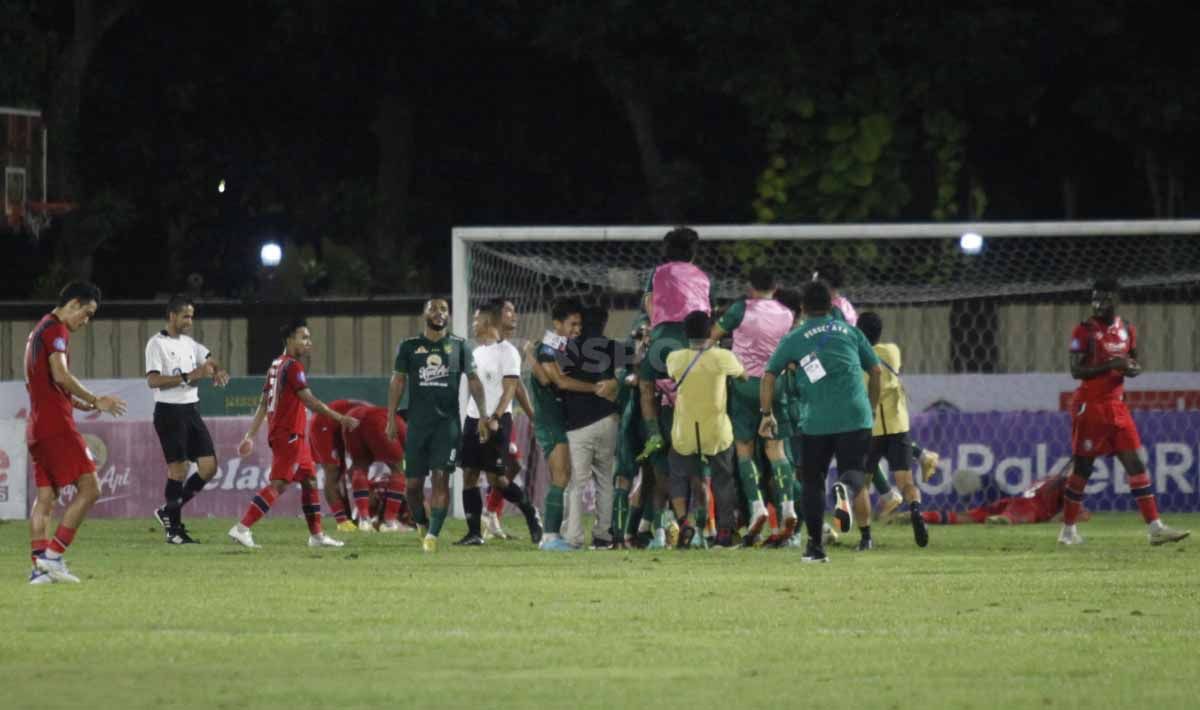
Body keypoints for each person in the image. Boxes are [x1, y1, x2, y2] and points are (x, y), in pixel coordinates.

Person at [1059, 279, 1189, 546]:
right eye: (1095, 298)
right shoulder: (1083, 331)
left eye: (1105, 298)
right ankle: (1068, 531)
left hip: (1118, 407)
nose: (1098, 303)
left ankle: (1155, 528)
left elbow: (1134, 360)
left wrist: (1132, 368)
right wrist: (1113, 365)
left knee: (1136, 464)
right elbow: (1076, 371)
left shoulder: (1127, 328)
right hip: (1091, 407)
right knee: (1083, 468)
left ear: (1116, 300)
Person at [761, 281, 881, 562]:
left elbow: (769, 375)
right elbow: (875, 371)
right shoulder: (851, 332)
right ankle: (845, 491)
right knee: (853, 472)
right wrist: (871, 409)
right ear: (831, 306)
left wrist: (767, 414)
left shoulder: (794, 338)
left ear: (802, 308)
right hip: (855, 415)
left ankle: (815, 547)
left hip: (815, 420)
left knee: (813, 481)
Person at [26, 282, 128, 584]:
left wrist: (79, 403)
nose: (86, 321)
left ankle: (38, 570)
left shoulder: (38, 330)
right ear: (73, 303)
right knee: (91, 488)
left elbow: (43, 382)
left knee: (46, 497)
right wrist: (96, 399)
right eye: (87, 313)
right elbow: (60, 374)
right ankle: (54, 558)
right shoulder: (56, 330)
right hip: (56, 425)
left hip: (36, 426)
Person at [228, 319, 358, 549]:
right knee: (279, 483)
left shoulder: (275, 365)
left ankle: (316, 536)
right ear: (289, 339)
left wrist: (250, 434)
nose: (308, 342)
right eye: (303, 337)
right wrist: (341, 418)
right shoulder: (293, 367)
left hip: (289, 433)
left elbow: (262, 403)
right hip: (290, 434)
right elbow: (309, 400)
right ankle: (242, 528)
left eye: (309, 337)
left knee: (309, 481)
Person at [387, 298, 486, 553]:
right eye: (433, 308)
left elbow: (474, 381)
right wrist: (390, 418)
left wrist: (484, 415)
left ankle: (432, 535)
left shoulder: (458, 347)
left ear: (448, 315)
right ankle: (421, 522)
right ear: (424, 314)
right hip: (418, 427)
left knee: (441, 480)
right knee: (412, 487)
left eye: (443, 309)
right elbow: (398, 382)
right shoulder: (410, 347)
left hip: (447, 426)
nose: (439, 313)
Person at [637, 227, 712, 548]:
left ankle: (653, 431)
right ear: (694, 253)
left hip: (664, 338)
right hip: (695, 343)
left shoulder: (657, 273)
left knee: (644, 384)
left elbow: (649, 304)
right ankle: (704, 527)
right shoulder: (704, 277)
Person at [709, 266, 794, 544]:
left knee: (744, 450)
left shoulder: (740, 309)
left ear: (750, 286)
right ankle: (787, 509)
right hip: (776, 384)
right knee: (776, 450)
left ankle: (756, 506)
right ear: (776, 286)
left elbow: (712, 335)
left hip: (745, 383)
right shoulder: (786, 313)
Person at [145, 294, 231, 544]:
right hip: (169, 411)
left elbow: (210, 362)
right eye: (185, 316)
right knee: (179, 470)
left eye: (191, 316)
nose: (189, 321)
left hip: (191, 410)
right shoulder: (156, 344)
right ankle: (174, 530)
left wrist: (218, 371)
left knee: (208, 467)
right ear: (172, 315)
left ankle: (167, 512)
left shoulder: (190, 343)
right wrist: (188, 376)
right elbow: (153, 380)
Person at [458, 299, 542, 546]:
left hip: (497, 420)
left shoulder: (508, 352)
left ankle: (531, 513)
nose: (473, 324)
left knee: (498, 479)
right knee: (469, 475)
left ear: (486, 320)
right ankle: (474, 533)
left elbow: (511, 389)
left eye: (476, 319)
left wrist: (494, 418)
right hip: (474, 419)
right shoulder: (475, 353)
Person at [666, 310, 743, 548]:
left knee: (679, 476)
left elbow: (671, 376)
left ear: (684, 333)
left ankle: (684, 521)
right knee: (723, 480)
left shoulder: (675, 358)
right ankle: (723, 532)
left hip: (685, 431)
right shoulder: (723, 356)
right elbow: (743, 375)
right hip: (716, 431)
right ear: (711, 331)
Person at [857, 311, 929, 548]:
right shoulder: (893, 351)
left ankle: (866, 537)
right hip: (898, 426)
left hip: (871, 428)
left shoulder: (858, 358)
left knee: (862, 485)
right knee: (906, 482)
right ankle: (916, 509)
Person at [559, 305, 621, 549]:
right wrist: (615, 382)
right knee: (605, 480)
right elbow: (631, 369)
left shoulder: (569, 347)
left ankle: (573, 537)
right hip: (608, 420)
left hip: (579, 423)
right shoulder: (613, 346)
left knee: (576, 483)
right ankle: (603, 535)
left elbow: (556, 378)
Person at [526, 298, 581, 550]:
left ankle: (555, 534)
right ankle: (549, 537)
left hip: (559, 418)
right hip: (550, 419)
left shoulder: (559, 348)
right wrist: (596, 388)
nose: (577, 329)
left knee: (564, 474)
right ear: (557, 324)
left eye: (579, 324)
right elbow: (553, 381)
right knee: (560, 475)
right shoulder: (547, 348)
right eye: (572, 324)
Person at [482, 298, 539, 540]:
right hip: (480, 417)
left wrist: (532, 415)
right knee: (486, 471)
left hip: (501, 417)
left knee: (511, 465)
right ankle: (487, 517)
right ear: (495, 316)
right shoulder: (482, 348)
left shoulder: (508, 350)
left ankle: (491, 513)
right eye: (508, 311)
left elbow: (516, 385)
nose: (514, 316)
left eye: (515, 311)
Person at [922, 469, 1085, 525]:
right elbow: (1081, 513)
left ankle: (925, 516)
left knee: (973, 516)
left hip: (1013, 500)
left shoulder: (1049, 480)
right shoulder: (1065, 484)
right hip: (1027, 507)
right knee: (1010, 515)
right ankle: (1004, 519)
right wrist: (1055, 519)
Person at [342, 403, 410, 532]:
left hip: (353, 416)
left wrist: (366, 493)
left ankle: (364, 519)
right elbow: (407, 470)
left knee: (359, 466)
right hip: (377, 421)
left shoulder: (391, 417)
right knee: (398, 469)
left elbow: (351, 471)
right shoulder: (403, 427)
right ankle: (389, 522)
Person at [309, 398, 371, 532]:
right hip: (323, 424)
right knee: (332, 472)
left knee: (343, 471)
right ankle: (342, 521)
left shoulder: (375, 417)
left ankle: (349, 517)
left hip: (338, 428)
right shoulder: (374, 420)